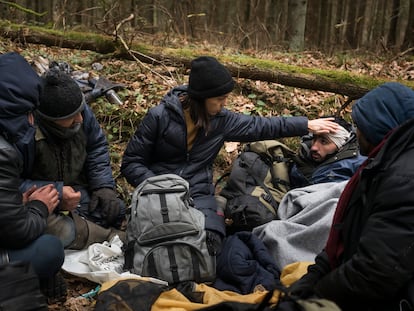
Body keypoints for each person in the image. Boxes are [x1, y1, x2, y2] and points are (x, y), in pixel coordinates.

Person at [121, 55, 338, 255]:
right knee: (158, 243)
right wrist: (158, 187)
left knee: (212, 244)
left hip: (198, 194)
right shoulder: (159, 117)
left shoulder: (222, 121)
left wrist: (306, 124)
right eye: (220, 98)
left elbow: (261, 126)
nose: (224, 103)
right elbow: (131, 163)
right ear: (201, 96)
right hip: (156, 193)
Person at [287, 82, 414, 311]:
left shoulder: (403, 180)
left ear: (379, 128)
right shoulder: (379, 164)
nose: (356, 133)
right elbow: (343, 237)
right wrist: (308, 283)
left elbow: (373, 275)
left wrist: (310, 299)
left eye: (360, 125)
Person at [20, 69, 126, 249]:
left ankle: (99, 235)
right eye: (71, 117)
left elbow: (96, 147)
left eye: (81, 110)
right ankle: (101, 237)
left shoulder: (78, 108)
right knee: (56, 229)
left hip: (79, 191)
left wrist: (103, 187)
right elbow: (10, 185)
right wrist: (58, 193)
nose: (80, 119)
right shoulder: (24, 130)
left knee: (115, 210)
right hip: (41, 198)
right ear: (50, 119)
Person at [0, 52, 66, 302]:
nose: (31, 120)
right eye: (27, 111)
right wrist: (40, 206)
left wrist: (18, 202)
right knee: (49, 249)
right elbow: (18, 232)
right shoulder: (3, 153)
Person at [289, 116, 366, 188]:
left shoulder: (359, 167)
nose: (313, 148)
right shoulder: (301, 159)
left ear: (342, 144)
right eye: (314, 139)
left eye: (324, 142)